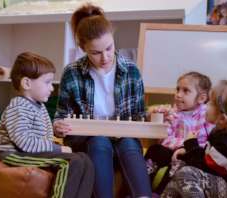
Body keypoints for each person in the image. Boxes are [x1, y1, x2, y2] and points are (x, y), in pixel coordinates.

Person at [53, 3, 152, 198]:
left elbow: (139, 115)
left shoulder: (131, 70)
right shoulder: (72, 73)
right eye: (96, 53)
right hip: (89, 141)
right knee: (99, 141)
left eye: (109, 48)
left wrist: (154, 117)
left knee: (130, 145)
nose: (105, 57)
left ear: (113, 39)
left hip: (124, 139)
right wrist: (58, 125)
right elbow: (60, 115)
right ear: (83, 49)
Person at [0, 52, 94, 198]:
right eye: (47, 82)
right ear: (27, 83)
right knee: (69, 161)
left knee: (84, 160)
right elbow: (25, 143)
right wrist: (58, 148)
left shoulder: (38, 106)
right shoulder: (18, 106)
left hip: (28, 152)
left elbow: (40, 136)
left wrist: (55, 135)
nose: (52, 88)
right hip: (15, 154)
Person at [144, 72, 215, 195]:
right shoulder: (174, 111)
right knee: (155, 150)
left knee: (180, 161)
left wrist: (183, 148)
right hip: (173, 148)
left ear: (201, 98)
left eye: (185, 91)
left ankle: (160, 192)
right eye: (178, 89)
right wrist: (164, 120)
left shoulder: (206, 115)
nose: (178, 95)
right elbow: (164, 138)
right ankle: (143, 189)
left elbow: (204, 143)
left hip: (191, 153)